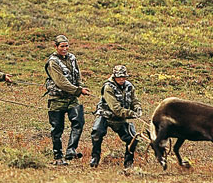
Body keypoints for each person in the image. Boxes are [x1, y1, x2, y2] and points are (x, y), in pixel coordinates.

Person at [44, 34, 91, 165]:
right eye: (62, 46)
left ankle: (71, 150)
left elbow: (78, 75)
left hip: (72, 99)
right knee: (57, 129)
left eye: (66, 46)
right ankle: (58, 156)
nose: (64, 49)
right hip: (57, 99)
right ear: (56, 47)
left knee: (79, 122)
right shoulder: (52, 62)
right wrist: (78, 90)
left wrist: (80, 86)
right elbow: (61, 82)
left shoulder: (72, 58)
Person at [90, 65, 142, 168]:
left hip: (121, 118)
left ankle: (128, 163)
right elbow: (116, 108)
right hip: (105, 115)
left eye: (124, 77)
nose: (122, 79)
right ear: (114, 77)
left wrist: (137, 107)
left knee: (132, 139)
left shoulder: (129, 86)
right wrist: (131, 114)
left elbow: (134, 100)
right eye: (119, 77)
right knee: (97, 133)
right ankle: (95, 157)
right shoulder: (108, 87)